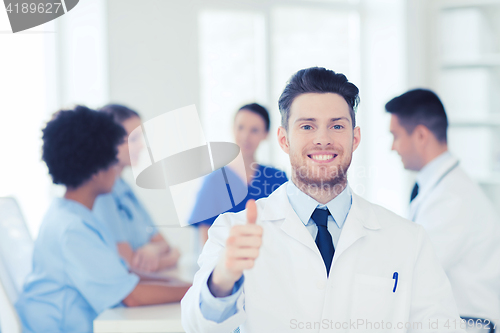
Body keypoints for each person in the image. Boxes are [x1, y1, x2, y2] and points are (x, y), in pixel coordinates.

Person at [181, 68, 465, 332]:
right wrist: (222, 280)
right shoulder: (231, 231)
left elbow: (440, 325)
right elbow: (198, 325)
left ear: (355, 138)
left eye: (337, 126)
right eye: (307, 126)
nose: (322, 139)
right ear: (283, 140)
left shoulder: (409, 240)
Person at [15, 106, 190, 333]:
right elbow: (132, 297)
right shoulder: (73, 228)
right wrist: (200, 290)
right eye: (111, 161)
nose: (116, 170)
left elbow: (126, 275)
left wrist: (187, 285)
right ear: (97, 169)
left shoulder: (75, 214)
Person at [386, 88, 500, 321]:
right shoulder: (440, 188)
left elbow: (413, 273)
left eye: (396, 136)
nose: (393, 147)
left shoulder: (453, 199)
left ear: (420, 136)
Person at [93, 104, 180, 273]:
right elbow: (131, 265)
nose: (141, 146)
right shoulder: (101, 195)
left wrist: (153, 250)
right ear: (108, 142)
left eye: (141, 138)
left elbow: (164, 244)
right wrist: (172, 258)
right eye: (133, 139)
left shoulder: (124, 189)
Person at [190, 103, 288, 246]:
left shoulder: (277, 179)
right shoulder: (214, 181)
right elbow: (206, 241)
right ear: (232, 128)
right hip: (226, 264)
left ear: (266, 134)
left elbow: (286, 229)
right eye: (240, 127)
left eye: (254, 130)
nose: (245, 136)